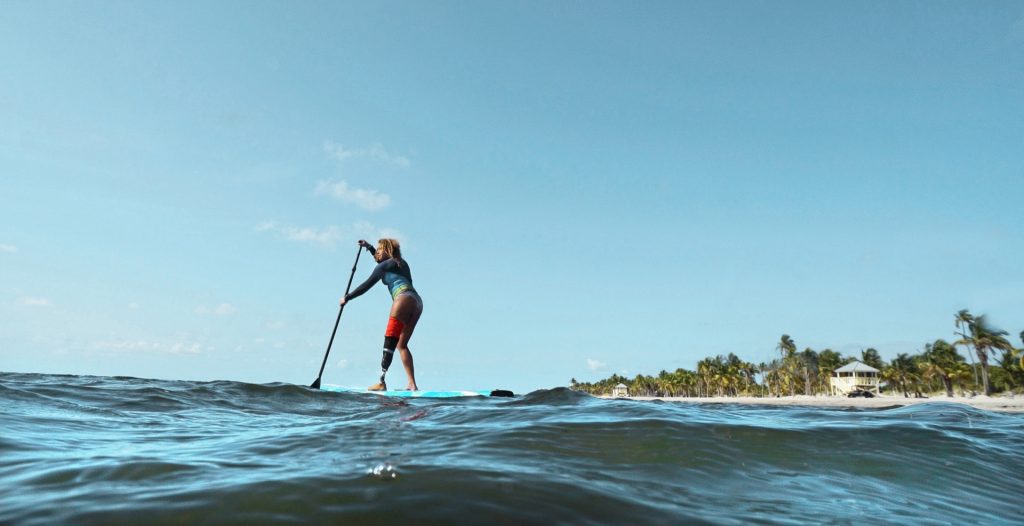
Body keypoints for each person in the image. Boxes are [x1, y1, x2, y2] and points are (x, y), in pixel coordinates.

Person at [339, 238, 422, 391]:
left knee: (390, 340)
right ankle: (412, 383)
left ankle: (381, 382)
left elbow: (366, 285)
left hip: (402, 299)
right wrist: (369, 247)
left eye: (379, 249)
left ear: (388, 250)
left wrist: (347, 297)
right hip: (417, 302)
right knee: (401, 345)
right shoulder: (400, 263)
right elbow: (380, 261)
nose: (376, 252)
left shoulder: (384, 266)